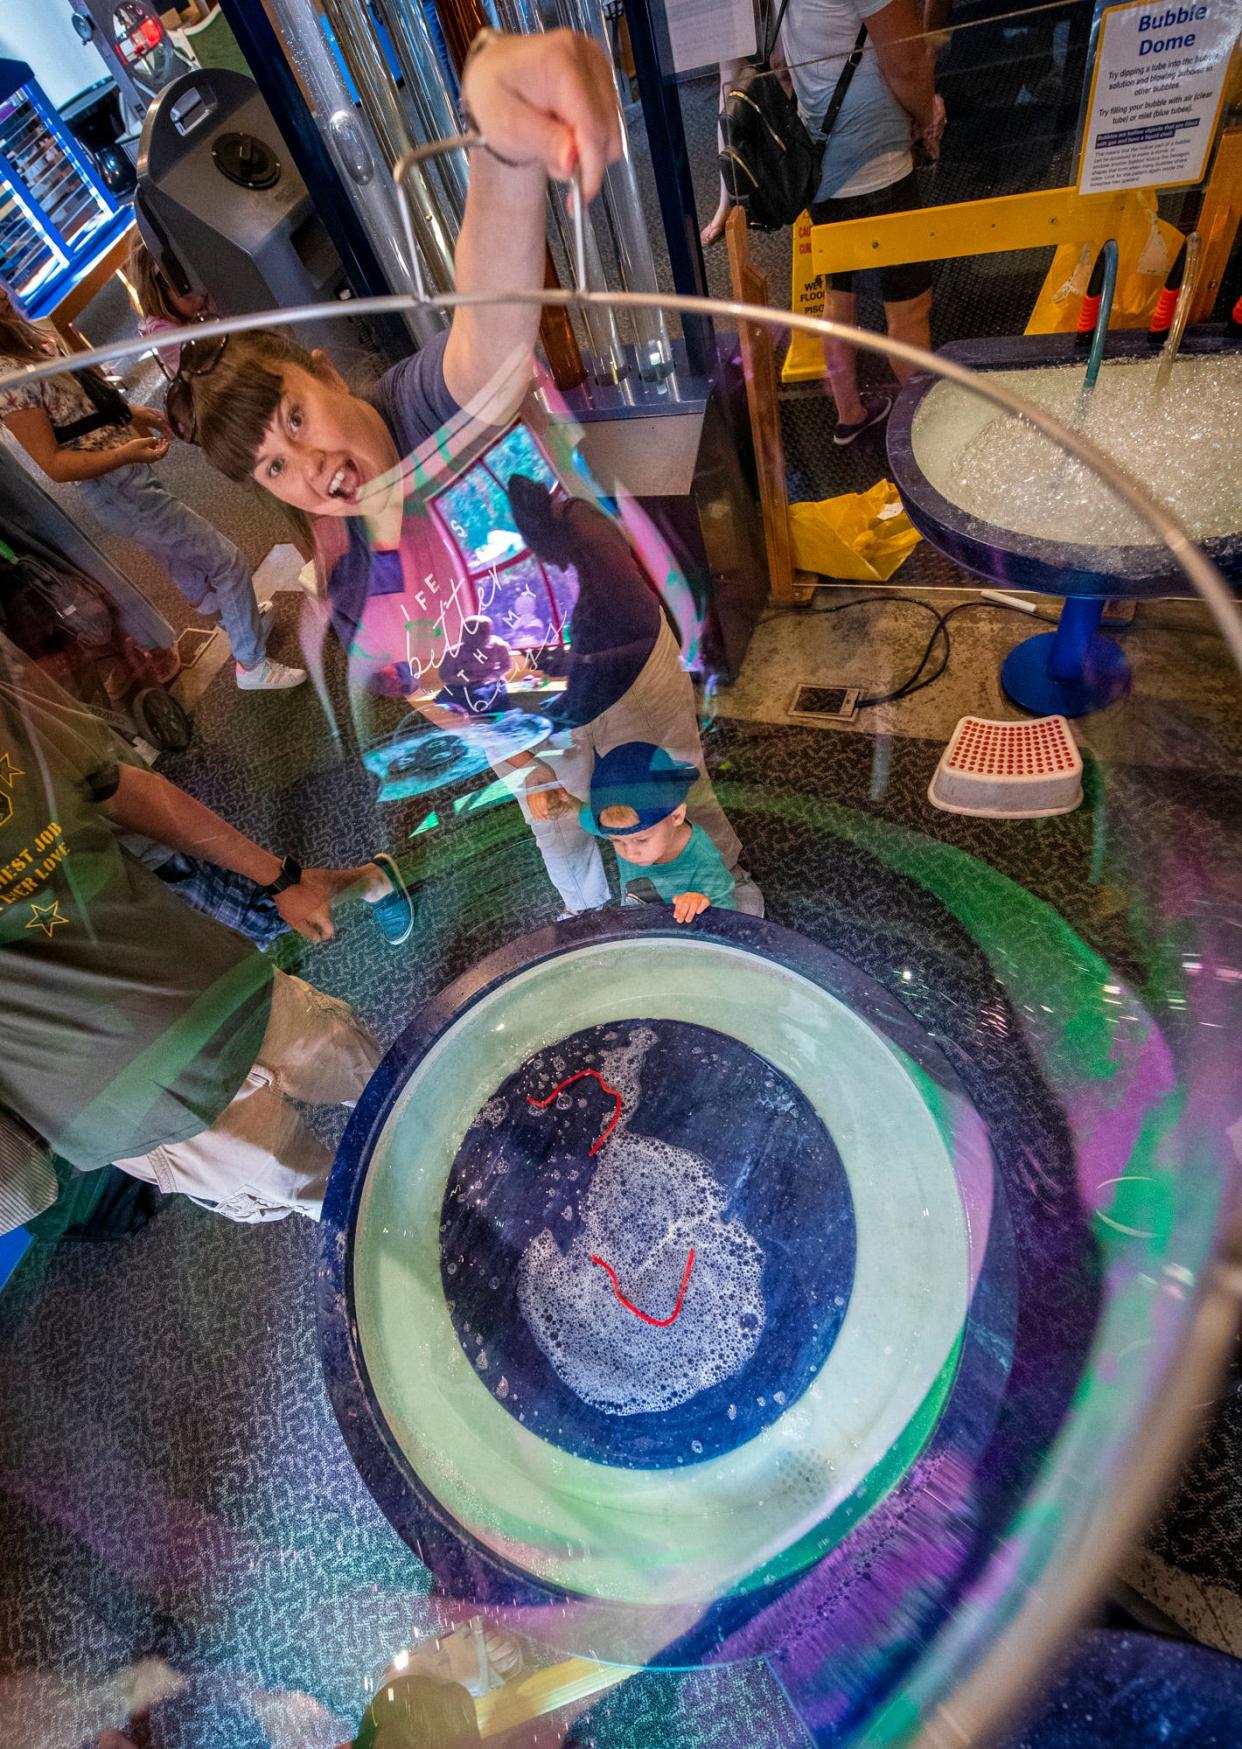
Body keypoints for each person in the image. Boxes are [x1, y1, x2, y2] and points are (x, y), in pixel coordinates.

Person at [0, 636, 413, 1227]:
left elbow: (114, 785)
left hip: (199, 991)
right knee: (348, 1199)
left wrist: (281, 879)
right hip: (118, 1092)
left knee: (381, 1091)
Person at [0, 282, 305, 692]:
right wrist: (125, 453)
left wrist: (132, 414)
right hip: (115, 485)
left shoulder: (31, 335)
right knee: (225, 561)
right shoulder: (7, 379)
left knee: (181, 559)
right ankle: (251, 663)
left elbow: (79, 405)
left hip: (126, 475)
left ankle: (237, 623)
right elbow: (54, 463)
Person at [503, 476, 761, 915]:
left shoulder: (586, 527)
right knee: (560, 822)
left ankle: (720, 880)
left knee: (672, 778)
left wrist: (576, 667)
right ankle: (588, 912)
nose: (628, 848)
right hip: (547, 693)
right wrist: (528, 770)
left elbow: (617, 614)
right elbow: (584, 813)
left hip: (626, 671)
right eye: (622, 842)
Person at [781, 0, 944, 442]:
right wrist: (927, 118)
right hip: (879, 159)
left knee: (839, 291)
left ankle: (849, 414)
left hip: (820, 159)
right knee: (908, 308)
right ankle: (924, 440)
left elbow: (780, 63)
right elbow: (907, 63)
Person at [581, 741, 736, 922]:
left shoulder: (703, 860)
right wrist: (561, 803)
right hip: (638, 925)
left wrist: (701, 901)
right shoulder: (619, 829)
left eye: (641, 840)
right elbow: (582, 814)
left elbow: (725, 909)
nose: (630, 853)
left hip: (680, 933)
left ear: (677, 816)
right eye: (617, 841)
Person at [128, 233, 215, 377]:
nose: (200, 297)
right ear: (158, 291)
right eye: (187, 290)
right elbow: (205, 378)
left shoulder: (199, 302)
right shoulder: (165, 335)